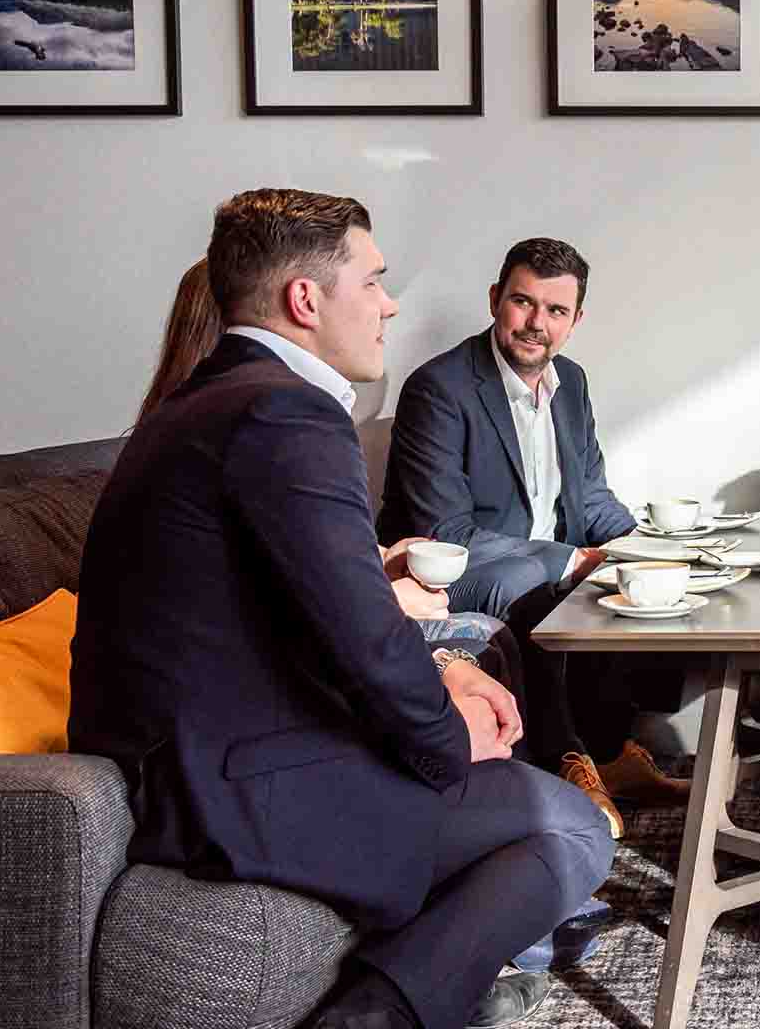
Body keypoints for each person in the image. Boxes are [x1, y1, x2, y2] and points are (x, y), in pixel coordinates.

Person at [70, 189, 614, 1029]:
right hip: (227, 787)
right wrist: (447, 738)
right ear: (305, 299)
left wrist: (442, 669)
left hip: (207, 757)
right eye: (374, 280)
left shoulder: (214, 400)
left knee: (535, 804)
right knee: (571, 827)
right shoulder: (287, 411)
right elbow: (362, 637)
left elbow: (319, 613)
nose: (391, 303)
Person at [378, 237, 689, 838]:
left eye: (555, 311)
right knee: (538, 580)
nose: (535, 324)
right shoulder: (440, 387)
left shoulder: (570, 382)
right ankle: (564, 759)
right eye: (523, 303)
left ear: (575, 321)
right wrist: (572, 558)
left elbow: (590, 496)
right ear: (496, 300)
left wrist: (643, 550)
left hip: (540, 561)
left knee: (640, 577)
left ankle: (606, 751)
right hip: (446, 569)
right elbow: (444, 528)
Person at [133, 257, 498, 649]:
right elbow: (250, 598)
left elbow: (299, 549)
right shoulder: (252, 433)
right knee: (477, 639)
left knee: (485, 637)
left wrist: (383, 559)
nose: (386, 307)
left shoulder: (219, 423)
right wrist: (390, 604)